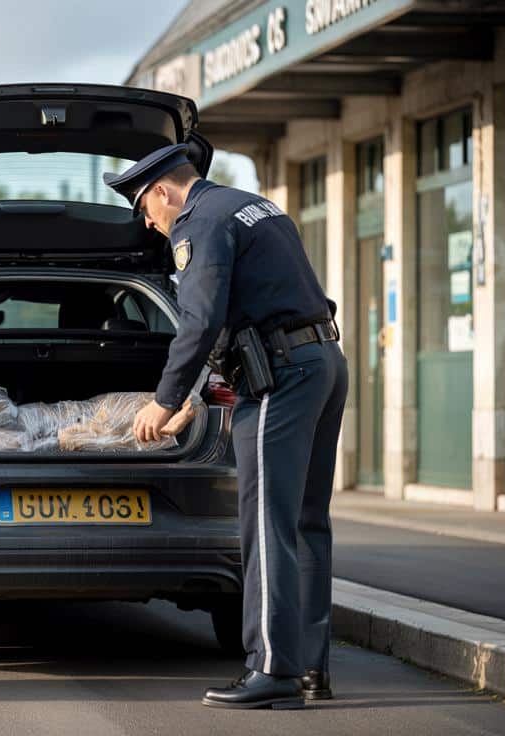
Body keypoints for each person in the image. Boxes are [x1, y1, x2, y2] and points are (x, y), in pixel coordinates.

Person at [106, 144, 348, 710]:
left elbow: (200, 318)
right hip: (322, 363)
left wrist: (164, 401)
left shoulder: (200, 223)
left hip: (279, 378)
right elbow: (254, 303)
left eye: (145, 208)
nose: (149, 223)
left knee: (266, 526)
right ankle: (309, 668)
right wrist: (195, 398)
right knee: (307, 523)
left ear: (163, 191)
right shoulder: (253, 206)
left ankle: (272, 670)